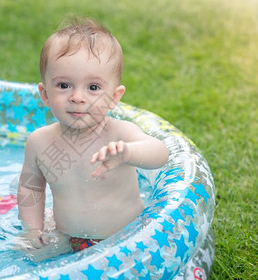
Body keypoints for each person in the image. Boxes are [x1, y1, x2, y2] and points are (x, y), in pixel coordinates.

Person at [17, 18, 169, 260]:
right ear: (45, 94)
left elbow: (160, 153)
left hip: (125, 237)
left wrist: (129, 153)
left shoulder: (120, 133)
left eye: (94, 88)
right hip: (67, 238)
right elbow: (30, 187)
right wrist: (33, 230)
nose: (78, 97)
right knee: (26, 255)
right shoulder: (39, 142)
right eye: (64, 85)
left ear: (114, 97)